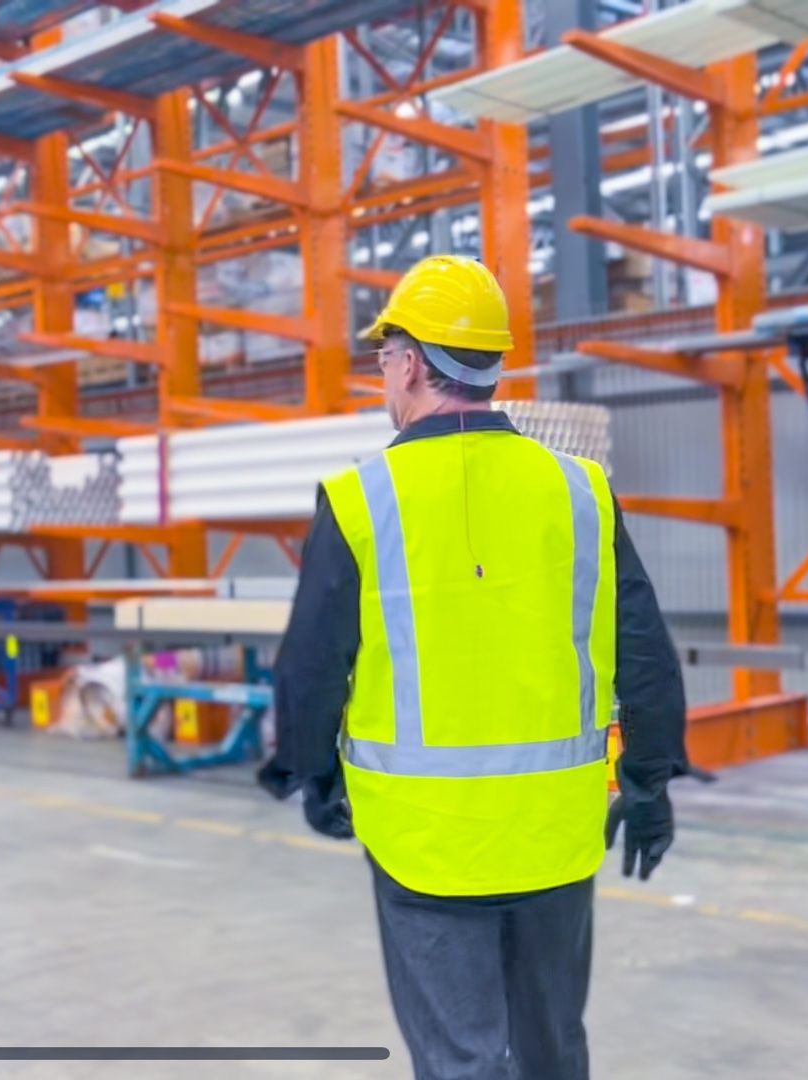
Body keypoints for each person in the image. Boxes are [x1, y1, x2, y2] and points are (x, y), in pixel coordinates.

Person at [257, 255, 692, 1080]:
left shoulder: (362, 498)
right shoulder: (579, 491)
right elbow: (643, 650)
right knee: (553, 1053)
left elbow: (311, 669)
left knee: (461, 1063)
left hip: (425, 843)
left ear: (414, 363)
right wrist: (650, 783)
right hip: (554, 836)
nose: (384, 373)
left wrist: (310, 775)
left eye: (385, 356)